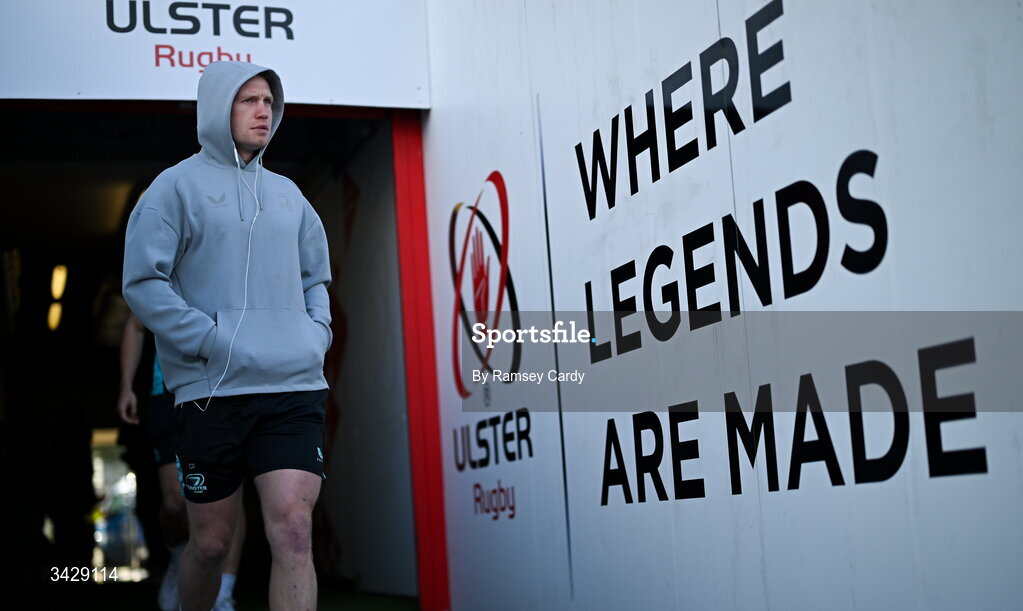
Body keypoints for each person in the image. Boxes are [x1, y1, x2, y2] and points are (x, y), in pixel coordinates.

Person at [122, 61, 332, 611]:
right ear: (217, 109)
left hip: (293, 384)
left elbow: (317, 276)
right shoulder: (173, 188)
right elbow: (143, 284)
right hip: (211, 391)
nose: (263, 110)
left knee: (293, 531)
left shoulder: (290, 196)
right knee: (212, 544)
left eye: (268, 101)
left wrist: (317, 333)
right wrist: (209, 339)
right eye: (248, 101)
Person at [117, 312, 245, 611]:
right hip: (168, 389)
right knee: (175, 502)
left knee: (231, 492)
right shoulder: (168, 268)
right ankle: (179, 560)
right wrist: (126, 386)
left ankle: (223, 594)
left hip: (225, 386)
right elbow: (135, 323)